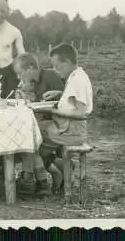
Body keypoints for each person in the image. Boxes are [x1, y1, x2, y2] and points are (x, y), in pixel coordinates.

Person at [40, 44, 93, 193]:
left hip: (72, 131)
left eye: (57, 67)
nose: (56, 71)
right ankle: (62, 169)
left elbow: (81, 113)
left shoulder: (78, 80)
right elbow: (72, 101)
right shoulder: (76, 76)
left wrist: (51, 110)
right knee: (35, 133)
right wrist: (59, 94)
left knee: (32, 136)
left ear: (67, 62)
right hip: (66, 127)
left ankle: (55, 173)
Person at [12, 52, 65, 195]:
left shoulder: (50, 76)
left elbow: (66, 99)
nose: (18, 77)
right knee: (26, 136)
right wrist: (24, 94)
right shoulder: (34, 82)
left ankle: (31, 180)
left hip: (59, 124)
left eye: (20, 73)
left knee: (26, 138)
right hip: (45, 123)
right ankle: (42, 180)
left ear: (30, 68)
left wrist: (58, 94)